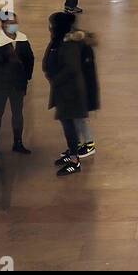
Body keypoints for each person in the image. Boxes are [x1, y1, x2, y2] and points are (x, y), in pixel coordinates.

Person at [43, 10, 99, 175]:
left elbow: (71, 69)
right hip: (66, 92)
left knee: (71, 124)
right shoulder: (62, 40)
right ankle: (73, 152)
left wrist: (55, 79)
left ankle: (75, 160)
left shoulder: (69, 44)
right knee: (70, 124)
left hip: (70, 93)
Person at [0, 6, 35, 154]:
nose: (14, 25)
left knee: (18, 114)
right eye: (11, 22)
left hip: (17, 85)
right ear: (3, 25)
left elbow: (30, 59)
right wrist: (3, 58)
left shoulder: (22, 39)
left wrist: (27, 76)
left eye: (15, 21)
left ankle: (18, 143)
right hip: (0, 85)